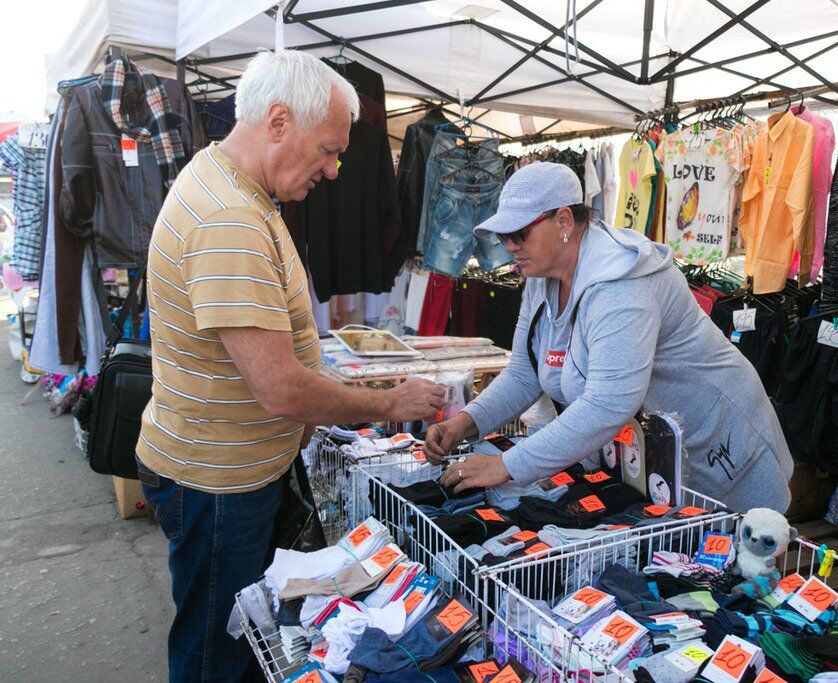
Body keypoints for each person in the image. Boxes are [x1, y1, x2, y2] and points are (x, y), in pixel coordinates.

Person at [135, 50, 444, 682]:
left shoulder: (234, 186)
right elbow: (277, 387)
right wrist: (387, 404)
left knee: (239, 637)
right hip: (216, 483)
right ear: (278, 121)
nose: (333, 171)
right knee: (216, 652)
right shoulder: (229, 218)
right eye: (329, 150)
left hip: (222, 470)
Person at [425, 162, 793, 513]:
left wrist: (506, 465)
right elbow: (525, 373)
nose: (509, 246)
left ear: (564, 220)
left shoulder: (621, 283)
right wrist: (465, 423)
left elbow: (608, 403)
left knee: (745, 554)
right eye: (504, 236)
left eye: (519, 233)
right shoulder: (540, 278)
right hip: (657, 447)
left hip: (714, 438)